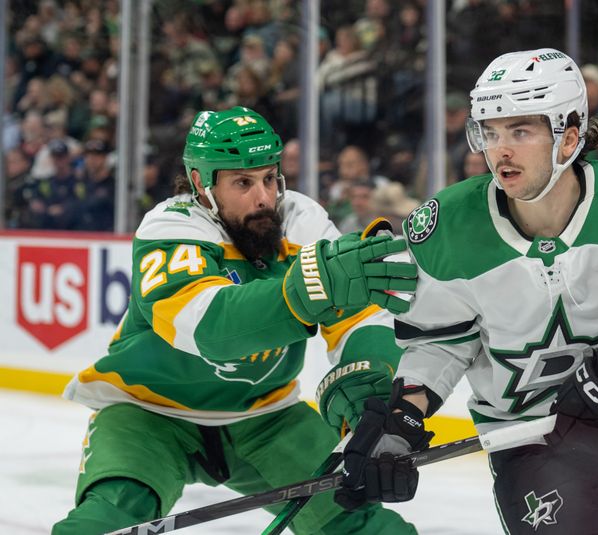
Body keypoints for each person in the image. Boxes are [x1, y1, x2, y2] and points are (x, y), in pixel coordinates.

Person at [337, 49, 598, 535]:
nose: (500, 151)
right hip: (532, 445)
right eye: (490, 133)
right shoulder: (446, 229)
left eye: (520, 131)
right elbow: (439, 341)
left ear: (570, 136)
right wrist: (404, 412)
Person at [52, 106, 418, 535]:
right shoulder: (171, 228)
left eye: (269, 177)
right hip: (149, 414)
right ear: (200, 185)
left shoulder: (302, 219)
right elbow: (211, 329)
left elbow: (359, 316)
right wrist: (306, 291)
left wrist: (368, 385)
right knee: (107, 518)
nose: (263, 196)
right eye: (242, 182)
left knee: (360, 526)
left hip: (266, 417)